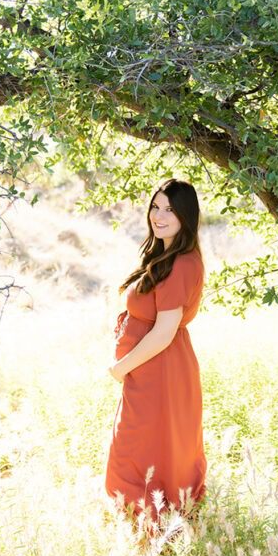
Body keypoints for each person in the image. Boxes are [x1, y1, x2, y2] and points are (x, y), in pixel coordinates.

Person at [105, 178, 206, 526]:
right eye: (156, 207)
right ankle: (150, 525)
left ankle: (154, 525)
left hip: (158, 370)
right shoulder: (166, 253)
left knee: (137, 449)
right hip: (151, 370)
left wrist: (121, 367)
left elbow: (163, 333)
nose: (159, 216)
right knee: (150, 447)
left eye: (170, 210)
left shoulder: (182, 264)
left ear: (186, 216)